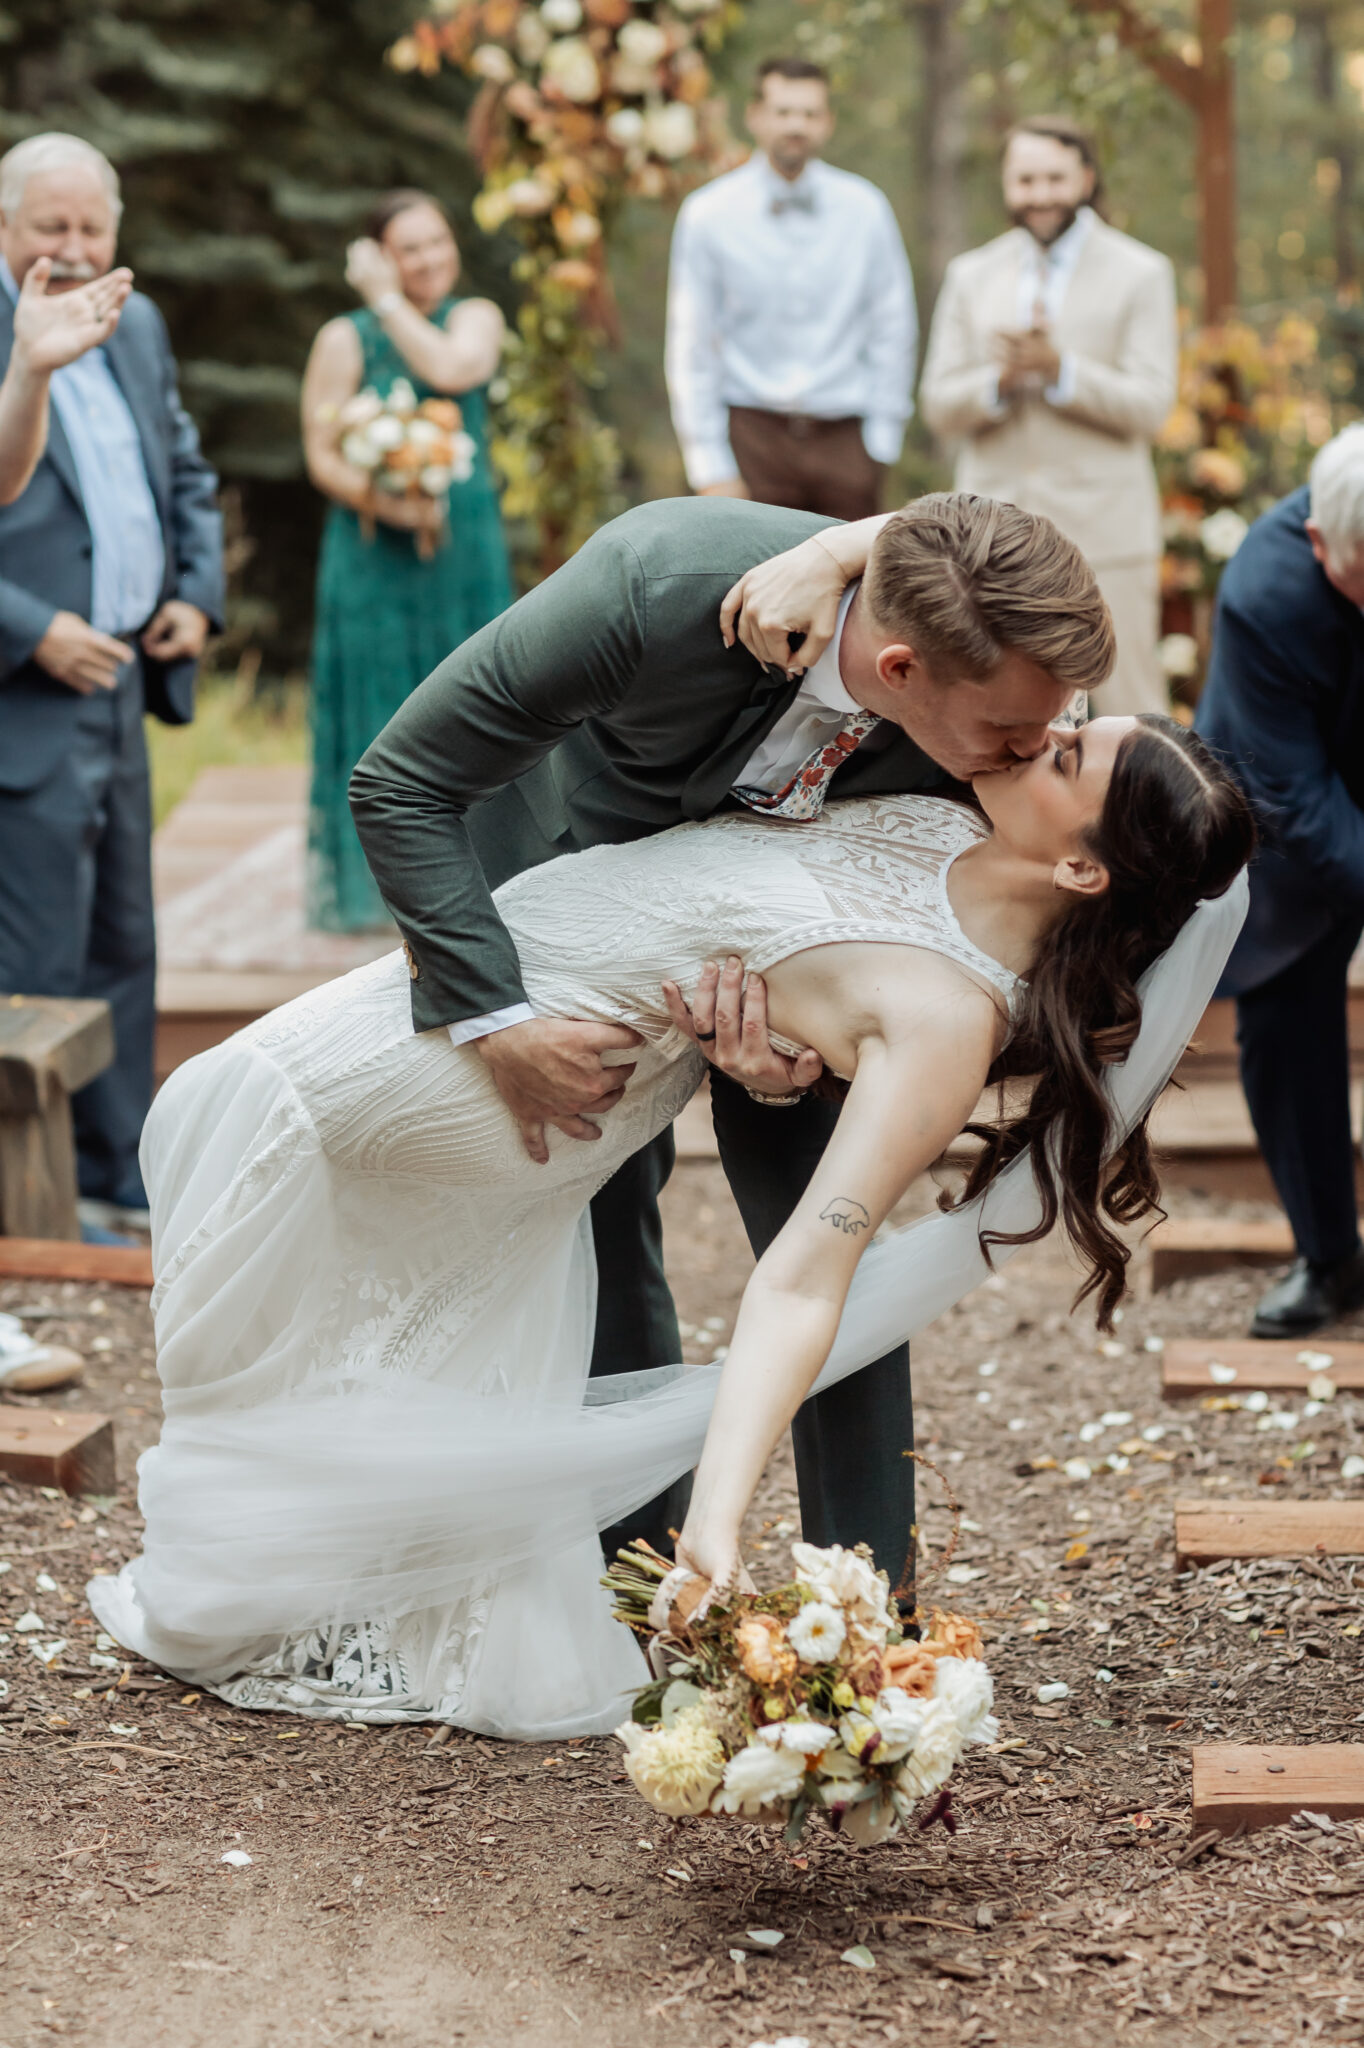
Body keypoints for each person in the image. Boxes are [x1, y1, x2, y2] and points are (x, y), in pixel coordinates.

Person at [87, 706, 1251, 1733]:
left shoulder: (941, 1020)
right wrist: (766, 1064)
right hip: (490, 1010)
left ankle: (236, 1571)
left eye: (1065, 757)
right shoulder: (947, 814)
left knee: (224, 1125)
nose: (1034, 733)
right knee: (304, 1283)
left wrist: (716, 1514)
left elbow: (807, 1275)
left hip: (498, 1078)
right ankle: (270, 1570)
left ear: (1085, 871)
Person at [343, 491, 1110, 1615]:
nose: (1034, 751)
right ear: (899, 671)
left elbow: (991, 528)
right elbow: (398, 779)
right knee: (602, 1220)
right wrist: (495, 1020)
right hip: (582, 885)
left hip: (813, 946)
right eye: (1006, 738)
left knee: (823, 1246)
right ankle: (645, 1589)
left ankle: (862, 1617)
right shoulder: (655, 586)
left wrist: (816, 1049)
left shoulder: (1008, 684)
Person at [0, 133, 223, 1224]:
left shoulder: (137, 324)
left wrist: (194, 592)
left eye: (93, 227)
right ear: (7, 230)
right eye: (53, 226)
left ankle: (121, 1172)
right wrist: (34, 628)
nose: (78, 248)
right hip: (25, 696)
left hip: (124, 685)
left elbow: (180, 468)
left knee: (125, 939)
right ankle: (40, 1194)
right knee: (36, 954)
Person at [302, 189, 513, 932]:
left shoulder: (474, 317)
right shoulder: (343, 339)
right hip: (373, 556)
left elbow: (454, 371)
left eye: (437, 241)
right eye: (408, 248)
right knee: (377, 700)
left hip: (465, 550)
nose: (428, 259)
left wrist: (388, 301)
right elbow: (321, 452)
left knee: (474, 698)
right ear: (381, 256)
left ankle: (483, 871)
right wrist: (383, 501)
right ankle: (374, 890)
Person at [919, 115, 1177, 718]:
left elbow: (1151, 405)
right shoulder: (970, 274)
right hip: (989, 541)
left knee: (1126, 707)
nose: (1040, 195)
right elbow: (938, 405)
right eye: (1026, 179)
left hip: (1106, 534)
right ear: (1008, 185)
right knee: (996, 704)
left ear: (1085, 178)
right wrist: (1000, 382)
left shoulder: (1141, 272)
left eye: (1055, 178)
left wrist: (1061, 370)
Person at [1196, 426, 1364, 1338]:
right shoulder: (1265, 594)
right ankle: (1330, 1257)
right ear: (1316, 542)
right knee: (1283, 1017)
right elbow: (1297, 801)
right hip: (1287, 811)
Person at [665, 56, 916, 521]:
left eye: (809, 113)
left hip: (846, 439)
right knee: (743, 589)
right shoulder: (708, 213)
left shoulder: (866, 209)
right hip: (750, 436)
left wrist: (881, 442)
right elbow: (692, 344)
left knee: (854, 590)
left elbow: (893, 325)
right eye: (783, 111)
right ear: (754, 116)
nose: (796, 125)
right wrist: (709, 465)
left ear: (828, 122)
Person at [0, 256, 132, 503]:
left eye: (92, 231)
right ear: (4, 226)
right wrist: (29, 369)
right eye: (52, 228)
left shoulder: (137, 318)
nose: (73, 253)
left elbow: (181, 461)